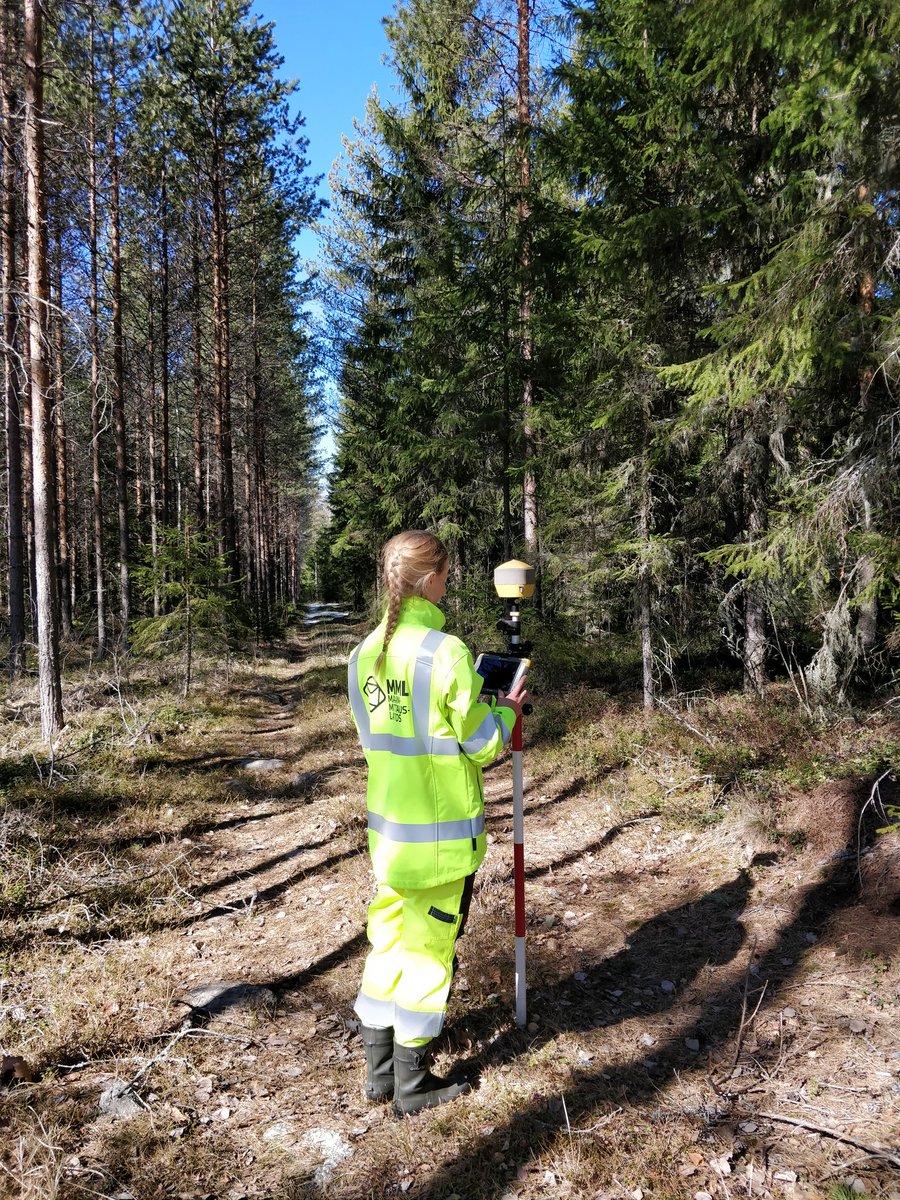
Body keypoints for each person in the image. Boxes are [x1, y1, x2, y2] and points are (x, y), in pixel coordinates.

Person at [347, 530, 527, 1116]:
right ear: (428, 581)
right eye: (446, 576)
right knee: (428, 952)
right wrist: (506, 710)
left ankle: (378, 1072)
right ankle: (413, 1083)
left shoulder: (363, 654)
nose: (448, 585)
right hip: (441, 842)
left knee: (387, 943)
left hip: (389, 837)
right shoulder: (445, 652)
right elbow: (481, 744)